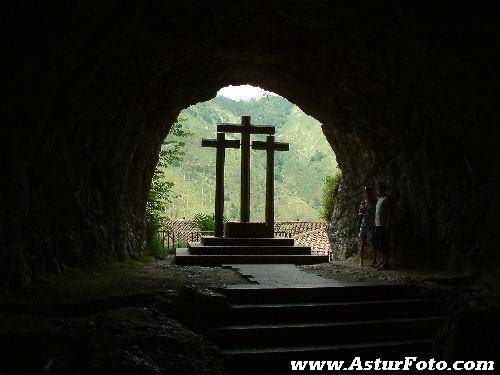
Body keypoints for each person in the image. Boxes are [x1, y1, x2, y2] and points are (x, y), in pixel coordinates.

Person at [374, 181, 392, 269]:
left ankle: (386, 263)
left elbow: (389, 212)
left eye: (380, 188)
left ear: (384, 189)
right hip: (378, 225)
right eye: (378, 188)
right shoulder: (379, 199)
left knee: (385, 244)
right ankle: (382, 261)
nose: (379, 190)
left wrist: (388, 223)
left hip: (383, 225)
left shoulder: (386, 199)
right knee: (380, 244)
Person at [357, 187, 376, 266]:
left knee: (373, 243)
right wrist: (361, 213)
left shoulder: (374, 203)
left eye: (368, 192)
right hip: (364, 225)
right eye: (366, 192)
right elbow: (359, 214)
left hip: (371, 225)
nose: (367, 194)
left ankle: (374, 260)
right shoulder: (363, 203)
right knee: (362, 243)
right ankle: (361, 260)